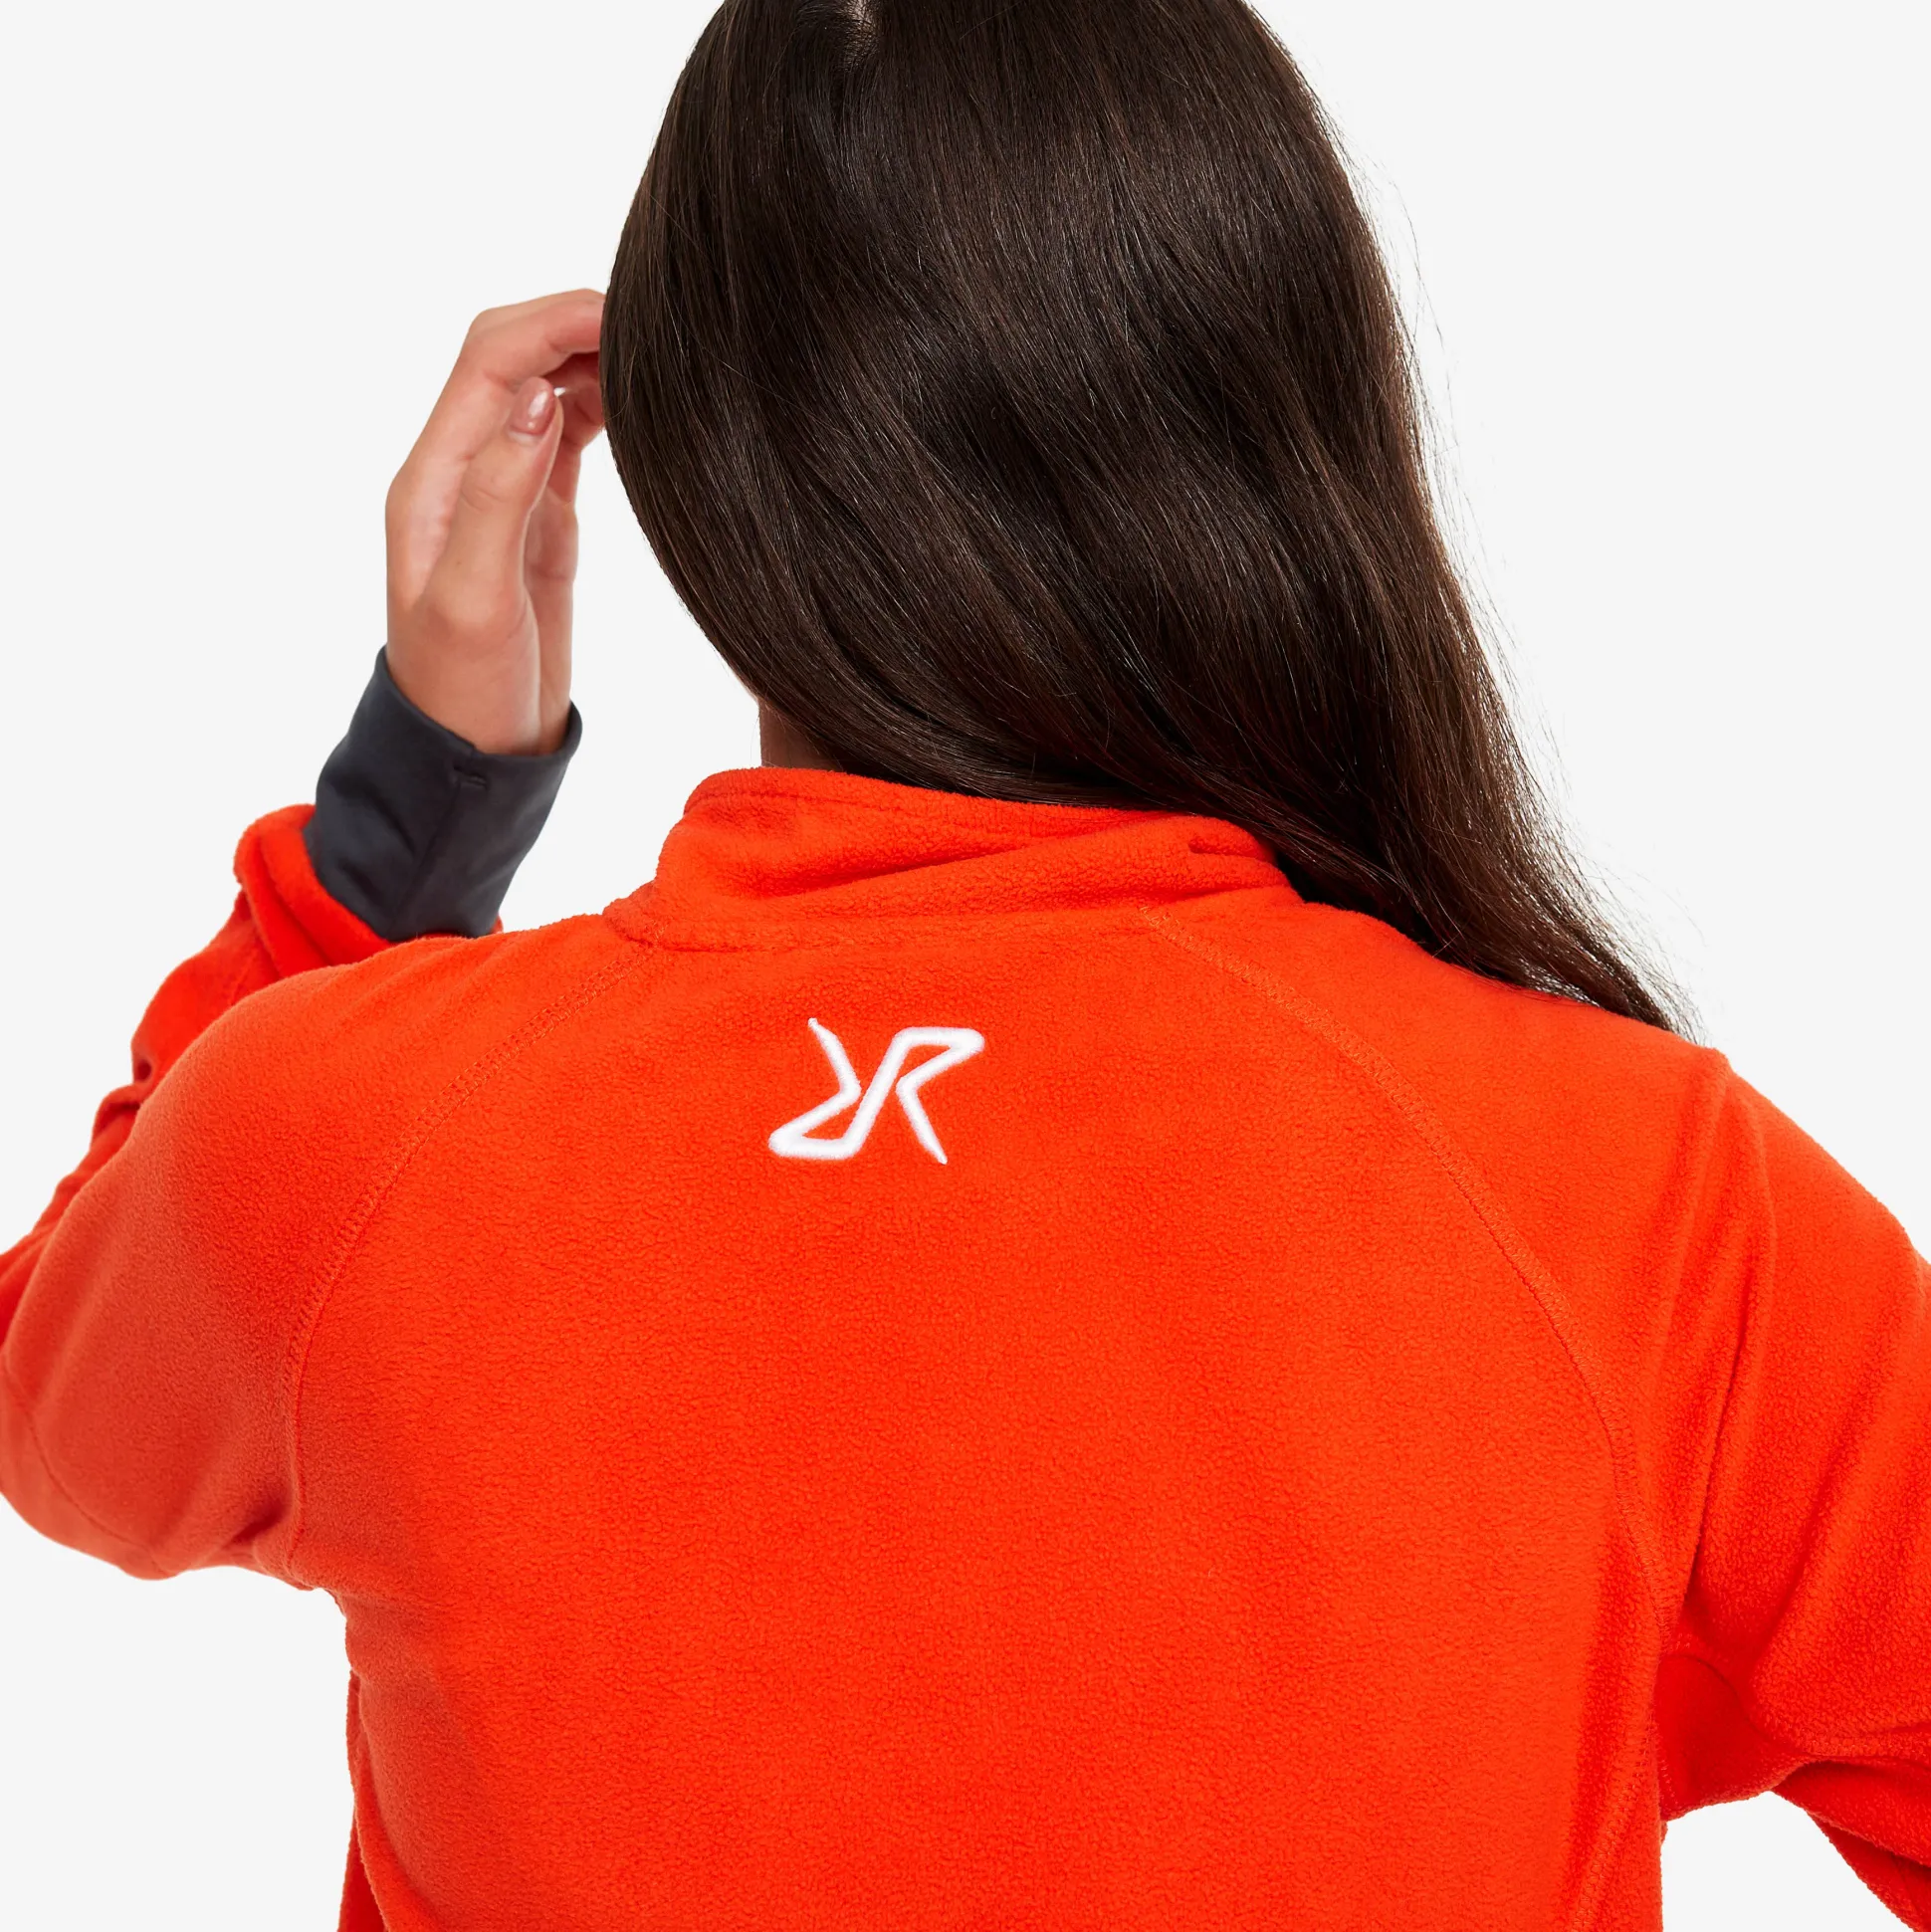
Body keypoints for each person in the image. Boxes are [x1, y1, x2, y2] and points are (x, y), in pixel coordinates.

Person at [3, 0, 1926, 1926]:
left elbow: (50, 1397)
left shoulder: (350, 1136)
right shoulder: (1637, 1198)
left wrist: (419, 800)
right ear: (1299, 417)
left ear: (689, 455)